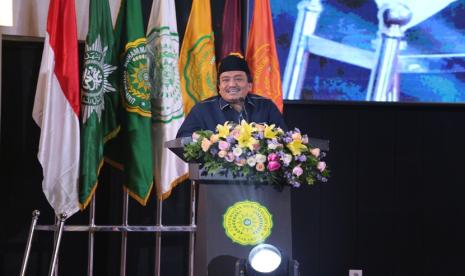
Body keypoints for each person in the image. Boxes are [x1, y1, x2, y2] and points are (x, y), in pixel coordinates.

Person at [176, 54, 287, 138]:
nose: (232, 84)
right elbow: (183, 139)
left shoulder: (266, 106)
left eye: (238, 79)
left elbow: (284, 138)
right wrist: (216, 140)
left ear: (249, 85)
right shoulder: (202, 109)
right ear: (219, 87)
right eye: (225, 80)